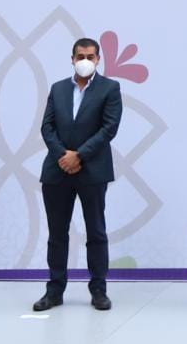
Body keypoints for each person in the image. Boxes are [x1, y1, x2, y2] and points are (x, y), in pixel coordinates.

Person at [33, 38, 122, 312]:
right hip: (57, 171)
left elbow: (108, 129)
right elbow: (47, 127)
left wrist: (79, 155)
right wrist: (63, 156)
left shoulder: (110, 88)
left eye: (90, 56)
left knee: (95, 231)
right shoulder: (58, 89)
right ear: (71, 59)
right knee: (57, 233)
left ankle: (98, 290)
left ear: (98, 60)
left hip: (92, 171)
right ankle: (55, 290)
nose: (85, 60)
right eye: (80, 56)